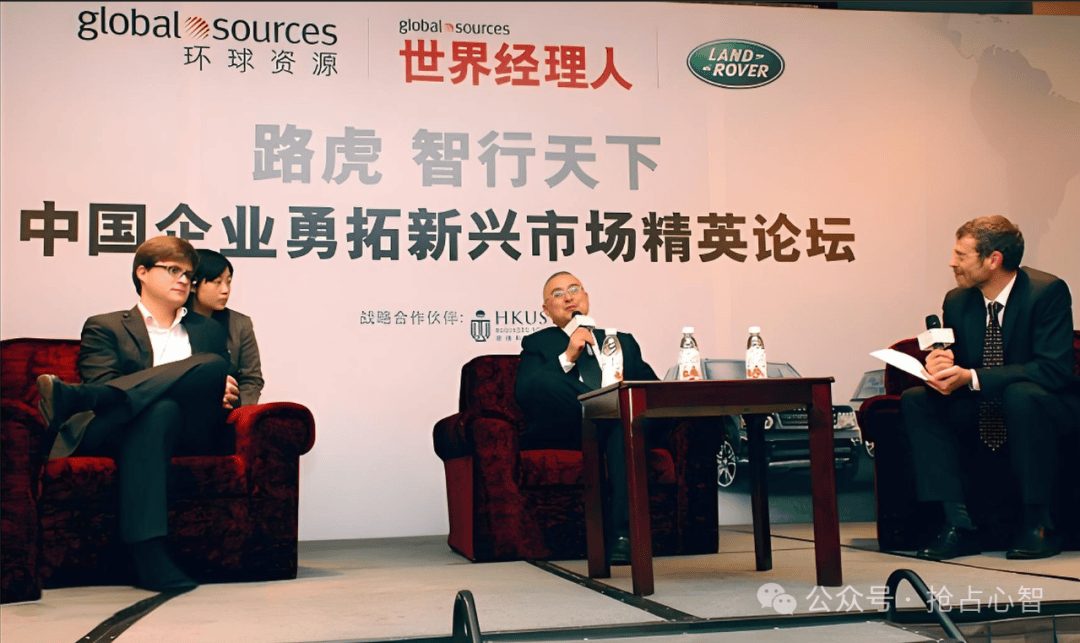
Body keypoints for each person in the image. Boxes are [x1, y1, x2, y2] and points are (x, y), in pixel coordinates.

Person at [35, 235, 239, 592]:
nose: (183, 280)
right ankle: (149, 556)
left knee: (211, 364)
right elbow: (106, 395)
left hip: (190, 430)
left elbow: (220, 388)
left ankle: (74, 398)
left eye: (188, 275)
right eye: (173, 270)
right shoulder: (107, 325)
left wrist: (221, 390)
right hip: (115, 430)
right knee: (160, 409)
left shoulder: (208, 329)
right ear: (142, 272)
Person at [902, 215, 1080, 561]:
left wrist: (972, 377)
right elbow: (961, 360)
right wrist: (942, 367)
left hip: (1045, 403)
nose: (952, 263)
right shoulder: (958, 300)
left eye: (961, 255)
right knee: (918, 400)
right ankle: (959, 524)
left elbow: (1052, 368)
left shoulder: (1047, 292)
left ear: (993, 260)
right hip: (985, 402)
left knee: (1021, 395)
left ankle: (1039, 525)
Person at [514, 271, 665, 564]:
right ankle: (610, 408)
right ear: (546, 310)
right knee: (546, 381)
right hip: (571, 428)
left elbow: (650, 389)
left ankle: (622, 537)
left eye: (574, 289)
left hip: (621, 430)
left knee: (625, 418)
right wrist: (569, 356)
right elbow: (527, 391)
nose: (568, 297)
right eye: (558, 294)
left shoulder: (623, 341)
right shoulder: (537, 343)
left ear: (586, 297)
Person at [187, 249, 264, 407]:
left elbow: (252, 379)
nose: (225, 290)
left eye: (228, 282)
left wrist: (238, 409)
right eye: (217, 282)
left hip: (230, 410)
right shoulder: (173, 320)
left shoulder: (239, 324)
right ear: (193, 284)